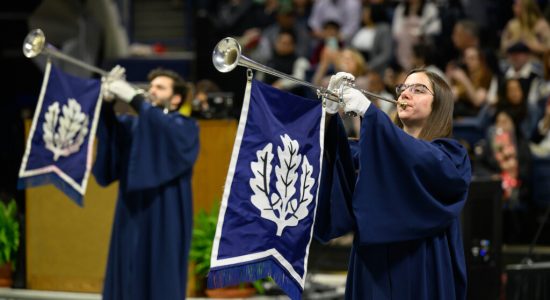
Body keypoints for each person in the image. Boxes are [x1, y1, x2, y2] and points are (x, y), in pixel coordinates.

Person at [315, 69, 472, 299]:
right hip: (372, 269)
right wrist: (328, 115)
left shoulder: (451, 156)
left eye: (419, 90)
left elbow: (418, 158)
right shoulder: (371, 149)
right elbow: (334, 158)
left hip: (419, 264)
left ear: (439, 105)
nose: (406, 94)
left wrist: (370, 113)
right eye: (403, 88)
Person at [94, 66, 200, 300]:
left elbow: (162, 129)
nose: (152, 91)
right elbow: (113, 135)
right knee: (128, 267)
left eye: (160, 88)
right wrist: (106, 105)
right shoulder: (136, 125)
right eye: (150, 87)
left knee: (161, 273)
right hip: (132, 212)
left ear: (175, 99)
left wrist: (135, 99)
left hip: (166, 214)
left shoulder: (186, 127)